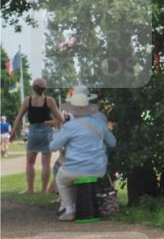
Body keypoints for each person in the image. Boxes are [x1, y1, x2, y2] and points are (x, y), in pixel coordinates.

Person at [48, 88, 115, 221]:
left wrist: (56, 131)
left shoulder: (70, 126)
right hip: (99, 169)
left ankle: (70, 209)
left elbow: (52, 147)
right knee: (70, 176)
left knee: (61, 179)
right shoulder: (99, 123)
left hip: (74, 169)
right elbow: (112, 143)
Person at [11, 78, 63, 193]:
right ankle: (44, 190)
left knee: (30, 162)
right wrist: (50, 122)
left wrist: (13, 132)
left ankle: (30, 189)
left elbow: (18, 118)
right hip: (46, 133)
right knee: (46, 164)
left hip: (33, 132)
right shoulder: (49, 101)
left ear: (33, 87)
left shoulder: (27, 100)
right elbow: (61, 118)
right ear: (44, 88)